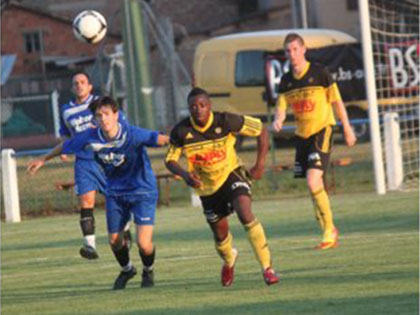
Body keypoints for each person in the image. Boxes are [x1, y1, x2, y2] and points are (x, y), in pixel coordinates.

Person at [28, 96, 169, 290]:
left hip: (142, 190)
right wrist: (43, 158)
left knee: (143, 243)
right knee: (114, 241)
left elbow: (159, 138)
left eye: (107, 114)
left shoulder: (132, 133)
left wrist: (181, 142)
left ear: (116, 115)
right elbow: (66, 145)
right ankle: (127, 269)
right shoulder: (91, 136)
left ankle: (148, 270)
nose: (103, 118)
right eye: (98, 115)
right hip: (116, 193)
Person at [165, 87, 279, 287]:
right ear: (188, 109)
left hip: (231, 173)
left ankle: (267, 268)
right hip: (207, 187)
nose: (198, 109)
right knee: (220, 235)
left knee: (245, 213)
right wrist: (185, 176)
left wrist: (260, 164)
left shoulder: (225, 121)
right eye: (193, 106)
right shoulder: (182, 131)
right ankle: (229, 260)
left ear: (209, 106)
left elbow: (261, 130)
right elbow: (170, 160)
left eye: (202, 105)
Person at [272, 33, 357, 250]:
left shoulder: (320, 73)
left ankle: (329, 230)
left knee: (313, 181)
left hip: (322, 130)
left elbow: (337, 102)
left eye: (295, 49)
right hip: (302, 136)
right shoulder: (286, 81)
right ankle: (327, 227)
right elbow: (281, 107)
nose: (291, 54)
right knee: (313, 186)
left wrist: (347, 128)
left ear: (303, 49)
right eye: (287, 51)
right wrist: (278, 120)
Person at [58, 72, 131, 260]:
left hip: (105, 157)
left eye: (83, 82)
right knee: (86, 202)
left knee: (115, 200)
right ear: (72, 88)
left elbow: (120, 122)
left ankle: (126, 230)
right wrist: (65, 149)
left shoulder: (102, 104)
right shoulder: (66, 110)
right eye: (75, 83)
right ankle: (89, 245)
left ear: (90, 86)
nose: (79, 85)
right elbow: (66, 133)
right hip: (83, 161)